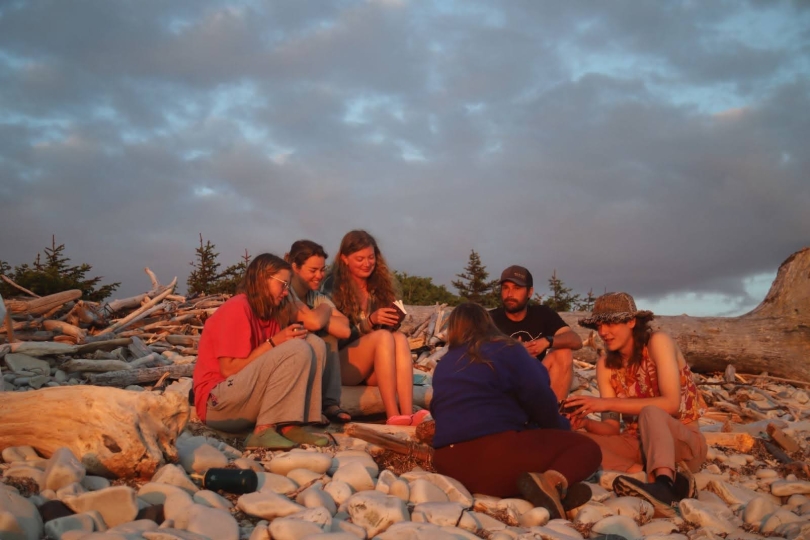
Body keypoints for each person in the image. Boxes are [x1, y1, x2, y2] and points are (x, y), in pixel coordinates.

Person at [430, 303, 602, 519]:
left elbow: (440, 411)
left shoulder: (444, 364)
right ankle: (551, 483)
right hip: (491, 460)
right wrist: (563, 429)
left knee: (518, 450)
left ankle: (541, 490)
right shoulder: (506, 349)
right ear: (488, 324)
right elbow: (540, 396)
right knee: (586, 448)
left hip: (447, 464)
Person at [565, 292, 707, 514]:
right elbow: (611, 428)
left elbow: (671, 404)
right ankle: (644, 474)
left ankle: (664, 485)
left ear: (631, 322)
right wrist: (585, 423)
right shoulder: (605, 365)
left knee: (651, 412)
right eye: (599, 325)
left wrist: (604, 403)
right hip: (636, 443)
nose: (603, 332)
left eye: (610, 323)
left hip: (684, 442)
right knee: (573, 440)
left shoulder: (657, 342)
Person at [192, 253, 329, 450]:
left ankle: (292, 424)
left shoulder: (272, 315)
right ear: (263, 279)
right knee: (296, 346)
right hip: (218, 404)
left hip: (245, 399)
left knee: (314, 343)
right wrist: (274, 342)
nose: (285, 291)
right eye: (283, 284)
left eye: (288, 286)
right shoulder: (238, 307)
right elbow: (228, 370)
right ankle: (263, 431)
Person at [327, 230, 424, 426]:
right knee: (382, 337)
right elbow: (336, 335)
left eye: (371, 257)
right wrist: (368, 323)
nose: (367, 263)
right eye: (360, 258)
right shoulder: (332, 287)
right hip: (342, 364)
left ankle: (407, 414)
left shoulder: (378, 286)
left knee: (398, 338)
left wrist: (389, 322)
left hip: (373, 366)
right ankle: (392, 416)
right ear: (344, 259)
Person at [489, 265, 583, 401]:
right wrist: (512, 352)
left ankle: (553, 416)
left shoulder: (542, 314)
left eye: (517, 288)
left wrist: (546, 341)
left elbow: (575, 340)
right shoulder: (489, 320)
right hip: (503, 386)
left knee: (563, 353)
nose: (510, 294)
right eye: (505, 288)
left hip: (535, 382)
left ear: (529, 292)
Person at [286, 239, 353, 423]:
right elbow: (313, 322)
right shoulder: (285, 291)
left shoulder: (314, 296)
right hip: (283, 359)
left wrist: (321, 315)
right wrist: (325, 310)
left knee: (329, 335)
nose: (319, 276)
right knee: (316, 335)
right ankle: (311, 408)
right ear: (295, 267)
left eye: (322, 270)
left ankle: (330, 404)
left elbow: (345, 329)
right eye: (313, 270)